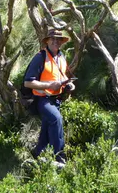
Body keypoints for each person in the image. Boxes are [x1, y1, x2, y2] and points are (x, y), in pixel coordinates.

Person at [23, 28, 75, 165]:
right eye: (53, 39)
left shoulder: (61, 57)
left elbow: (62, 77)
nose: (56, 42)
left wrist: (68, 86)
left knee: (47, 127)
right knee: (56, 119)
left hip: (56, 99)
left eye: (58, 39)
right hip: (41, 99)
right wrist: (48, 86)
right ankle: (60, 158)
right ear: (47, 41)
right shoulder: (40, 57)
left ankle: (37, 153)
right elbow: (28, 82)